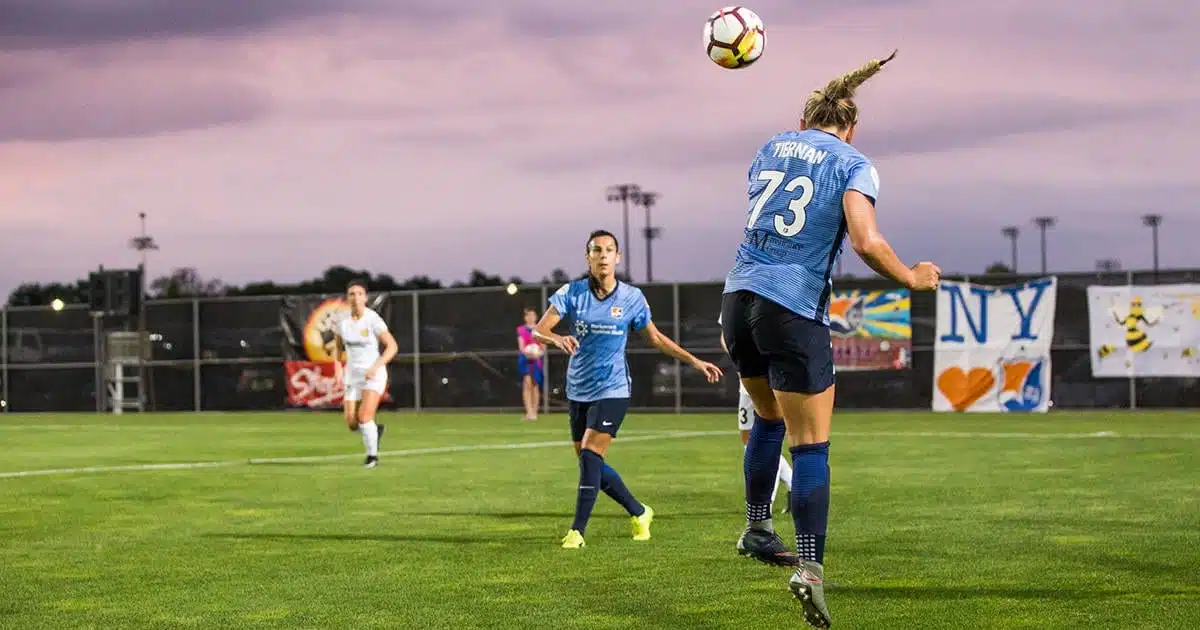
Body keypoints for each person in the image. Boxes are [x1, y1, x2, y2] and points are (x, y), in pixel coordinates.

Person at [719, 51, 941, 628]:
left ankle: (757, 529)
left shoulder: (770, 146)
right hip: (791, 307)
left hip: (736, 300)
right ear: (850, 126)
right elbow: (866, 243)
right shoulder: (854, 161)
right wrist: (913, 277)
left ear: (803, 121)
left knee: (767, 420)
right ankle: (811, 569)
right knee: (811, 446)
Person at [533, 229, 724, 550]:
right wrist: (557, 338)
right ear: (588, 258)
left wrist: (694, 361)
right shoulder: (572, 293)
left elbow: (656, 338)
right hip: (578, 389)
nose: (603, 255)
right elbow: (539, 330)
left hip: (613, 389)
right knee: (587, 461)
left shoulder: (632, 298)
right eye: (596, 250)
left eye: (609, 250)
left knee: (592, 454)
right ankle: (639, 511)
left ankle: (577, 531)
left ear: (618, 257)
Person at [718, 313, 793, 513]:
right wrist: (737, 354)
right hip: (747, 378)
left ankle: (765, 504)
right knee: (748, 440)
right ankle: (792, 485)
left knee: (765, 439)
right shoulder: (736, 291)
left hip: (770, 376)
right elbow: (726, 335)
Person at [332, 280, 399, 468]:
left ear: (366, 298)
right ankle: (374, 431)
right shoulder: (342, 322)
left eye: (359, 294)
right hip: (353, 377)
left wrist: (376, 366)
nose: (355, 298)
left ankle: (372, 457)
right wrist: (338, 368)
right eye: (351, 294)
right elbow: (337, 348)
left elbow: (392, 346)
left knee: (363, 418)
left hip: (373, 375)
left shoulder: (372, 319)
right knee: (352, 423)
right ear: (347, 298)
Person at [516, 307, 545, 421]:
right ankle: (529, 412)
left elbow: (543, 347)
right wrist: (527, 353)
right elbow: (521, 346)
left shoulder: (540, 329)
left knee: (535, 385)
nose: (530, 318)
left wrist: (538, 353)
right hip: (525, 360)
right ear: (525, 317)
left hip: (536, 360)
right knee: (527, 384)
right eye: (528, 315)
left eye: (532, 315)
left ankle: (534, 412)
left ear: (536, 317)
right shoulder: (520, 330)